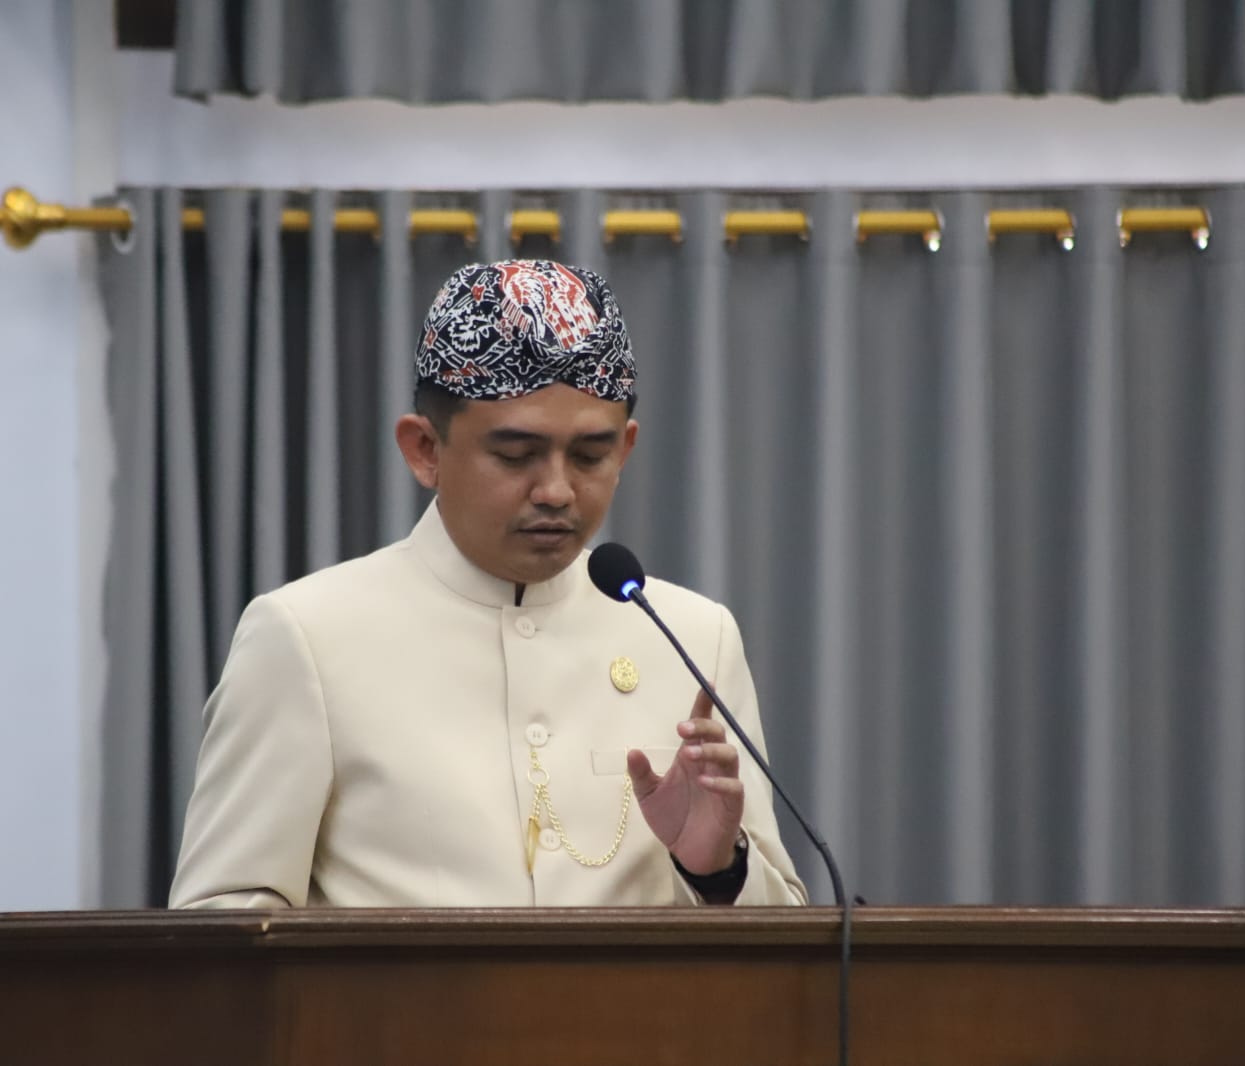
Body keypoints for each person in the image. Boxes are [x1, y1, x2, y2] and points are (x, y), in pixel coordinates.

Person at [169, 259, 806, 908]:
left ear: (626, 450)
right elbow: (223, 923)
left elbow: (787, 939)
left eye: (590, 456)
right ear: (424, 450)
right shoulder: (307, 637)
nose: (556, 490)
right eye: (515, 455)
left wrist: (718, 871)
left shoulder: (693, 638)